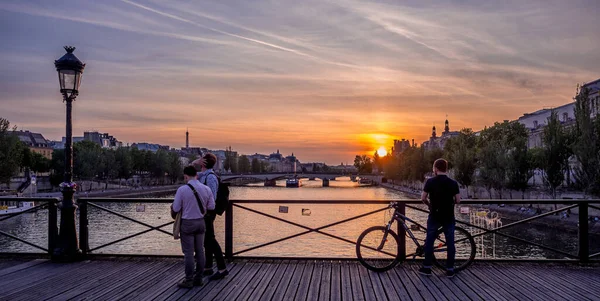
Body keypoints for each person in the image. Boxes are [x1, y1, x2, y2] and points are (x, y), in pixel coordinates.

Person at [171, 166, 215, 288]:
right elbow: (211, 206)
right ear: (196, 175)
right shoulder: (206, 189)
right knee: (201, 250)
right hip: (201, 222)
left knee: (189, 253)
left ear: (185, 176)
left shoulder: (182, 190)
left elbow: (175, 208)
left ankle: (189, 279)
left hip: (187, 223)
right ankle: (199, 278)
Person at [418, 158, 461, 278]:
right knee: (450, 243)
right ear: (446, 169)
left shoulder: (430, 182)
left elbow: (423, 198)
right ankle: (450, 269)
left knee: (430, 241)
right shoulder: (453, 183)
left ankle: (427, 268)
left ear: (436, 169)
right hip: (448, 215)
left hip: (434, 215)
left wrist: (429, 205)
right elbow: (458, 200)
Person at [193, 153, 229, 280]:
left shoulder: (211, 177)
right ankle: (208, 267)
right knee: (206, 241)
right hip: (204, 212)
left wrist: (205, 211)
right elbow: (189, 174)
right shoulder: (204, 175)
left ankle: (222, 268)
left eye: (202, 158)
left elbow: (212, 197)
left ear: (204, 162)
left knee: (210, 240)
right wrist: (195, 162)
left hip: (208, 212)